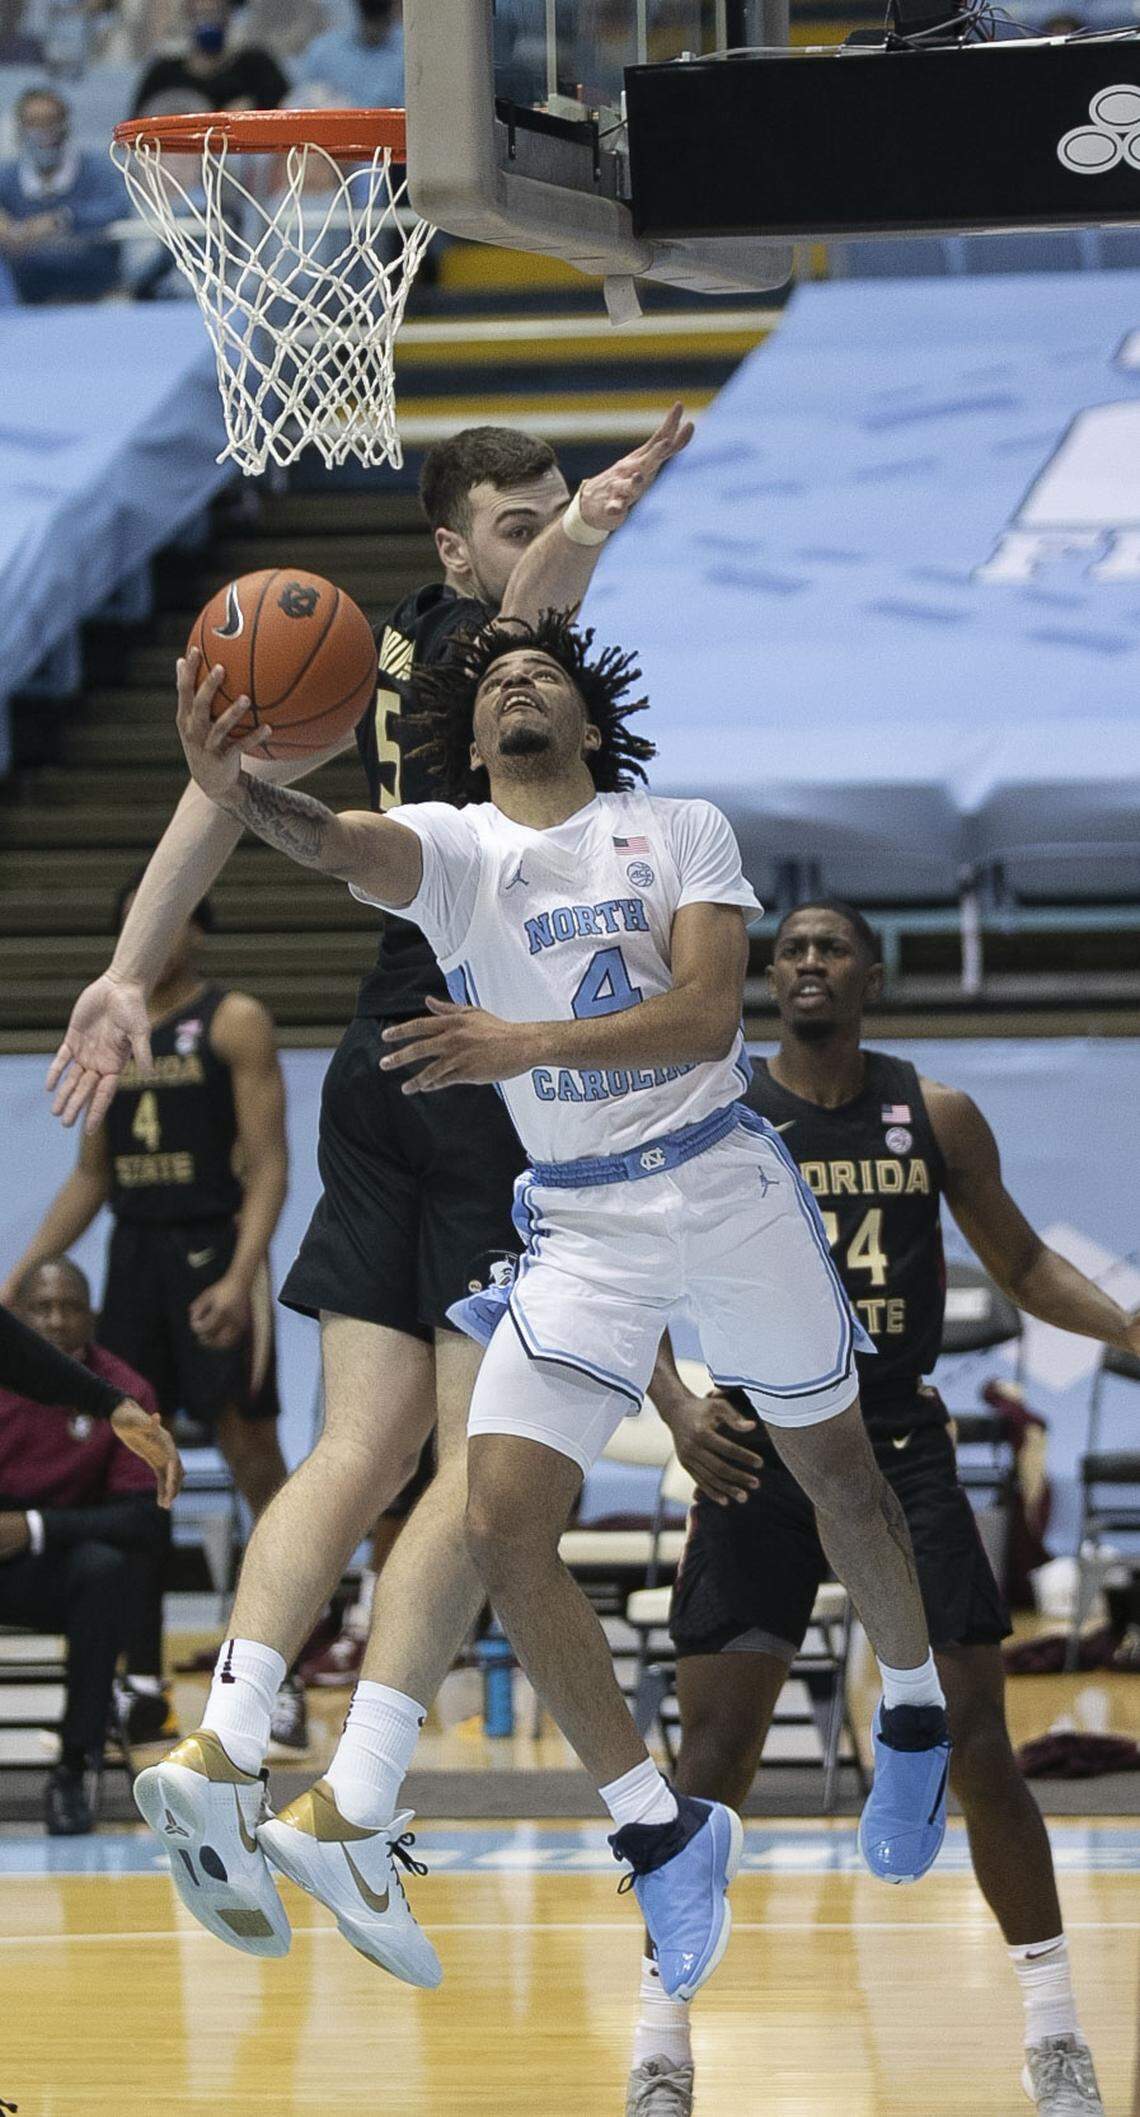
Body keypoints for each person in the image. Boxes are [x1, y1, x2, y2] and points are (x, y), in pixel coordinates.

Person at [149, 609, 958, 2002]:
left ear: (590, 723)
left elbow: (710, 1016)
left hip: (725, 1186)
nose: (522, 681)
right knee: (498, 1523)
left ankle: (922, 1713)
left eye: (549, 674)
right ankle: (658, 1829)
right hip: (582, 1223)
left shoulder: (678, 828)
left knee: (843, 1480)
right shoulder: (459, 853)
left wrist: (519, 1043)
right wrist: (240, 793)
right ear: (467, 738)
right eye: (498, 680)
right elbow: (342, 844)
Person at [43, 416, 694, 1966]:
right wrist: (592, 522)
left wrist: (129, 968)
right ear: (455, 548)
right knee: (489, 1473)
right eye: (512, 519)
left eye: (551, 509)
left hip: (378, 1049)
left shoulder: (378, 656)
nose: (541, 533)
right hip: (484, 1066)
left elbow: (225, 794)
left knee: (357, 1442)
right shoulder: (496, 647)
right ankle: (356, 1796)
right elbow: (548, 594)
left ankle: (221, 1744)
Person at [633, 899, 1137, 2117]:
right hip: (755, 1436)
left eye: (831, 946)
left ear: (871, 973)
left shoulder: (936, 1113)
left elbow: (1021, 1264)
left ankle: (1055, 2029)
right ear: (766, 973)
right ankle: (660, 2042)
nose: (808, 960)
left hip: (897, 1436)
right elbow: (627, 1266)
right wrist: (675, 1403)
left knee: (980, 1736)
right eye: (790, 945)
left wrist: (1125, 1326)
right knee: (714, 1754)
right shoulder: (722, 1107)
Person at [3, 879, 295, 1747]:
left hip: (214, 1247)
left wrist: (242, 1275)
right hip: (134, 1255)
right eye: (139, 917)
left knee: (250, 1452)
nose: (156, 931)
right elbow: (92, 1174)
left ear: (198, 926)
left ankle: (273, 1667)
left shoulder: (235, 1019)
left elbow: (271, 1166)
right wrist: (19, 1275)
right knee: (128, 1453)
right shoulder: (109, 1027)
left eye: (169, 914)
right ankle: (139, 1678)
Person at [0, 1260, 181, 1834]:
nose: (55, 1319)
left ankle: (73, 1769)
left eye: (69, 1306)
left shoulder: (123, 1391)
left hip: (57, 1571)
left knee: (105, 1571)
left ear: (93, 1316)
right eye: (41, 1308)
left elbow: (142, 1520)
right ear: (16, 1317)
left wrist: (33, 1527)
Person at [0, 88, 123, 304]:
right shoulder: (8, 177)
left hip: (98, 293)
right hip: (28, 298)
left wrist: (61, 220)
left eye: (51, 120)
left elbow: (119, 205)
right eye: (33, 122)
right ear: (19, 128)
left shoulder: (97, 168)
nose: (43, 131)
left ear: (66, 125)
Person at [131, 0, 288, 119]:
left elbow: (288, 118)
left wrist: (249, 114)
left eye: (216, 12)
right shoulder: (163, 74)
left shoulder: (257, 67)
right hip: (180, 160)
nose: (208, 22)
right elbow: (134, 139)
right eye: (200, 14)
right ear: (188, 14)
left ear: (229, 13)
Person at [291, 0, 403, 109]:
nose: (374, 27)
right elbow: (299, 102)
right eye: (370, 18)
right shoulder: (324, 51)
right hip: (333, 125)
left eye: (380, 19)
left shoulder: (407, 50)